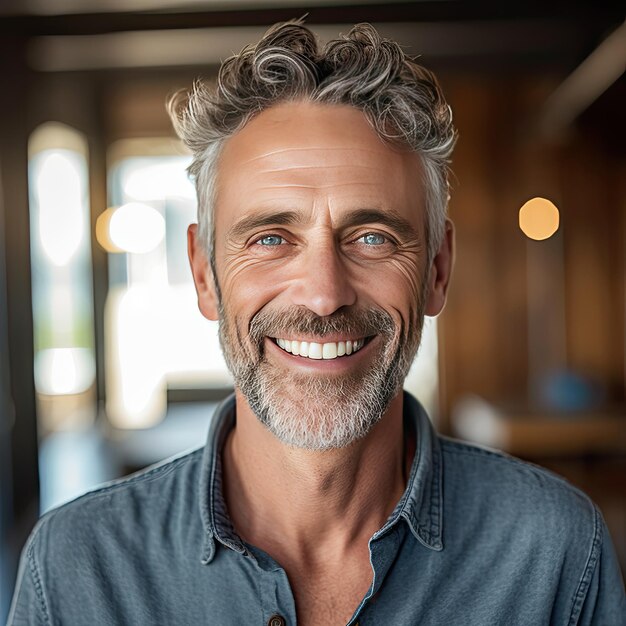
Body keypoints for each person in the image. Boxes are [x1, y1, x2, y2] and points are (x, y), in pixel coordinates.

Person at [9, 20, 625, 626]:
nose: (325, 295)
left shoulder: (558, 554)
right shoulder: (75, 570)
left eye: (373, 237)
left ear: (437, 271)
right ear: (203, 274)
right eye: (272, 237)